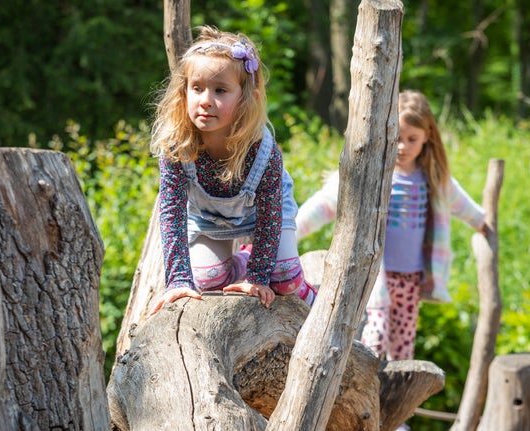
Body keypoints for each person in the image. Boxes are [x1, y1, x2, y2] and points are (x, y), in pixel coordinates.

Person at [296, 90, 486, 361]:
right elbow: (326, 202)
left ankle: (395, 394)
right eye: (396, 137)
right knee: (375, 334)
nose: (402, 147)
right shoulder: (372, 172)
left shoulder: (435, 178)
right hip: (375, 274)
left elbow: (465, 207)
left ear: (427, 137)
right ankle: (367, 389)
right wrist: (291, 230)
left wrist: (483, 223)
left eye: (412, 139)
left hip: (411, 278)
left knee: (403, 344)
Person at [148, 26, 317, 316]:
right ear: (183, 91)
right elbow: (171, 211)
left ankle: (319, 303)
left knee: (285, 280)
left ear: (245, 97)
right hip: (208, 220)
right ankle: (240, 261)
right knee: (207, 280)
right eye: (197, 88)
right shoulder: (178, 146)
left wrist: (258, 277)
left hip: (263, 216)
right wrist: (178, 279)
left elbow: (270, 214)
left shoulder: (261, 150)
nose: (205, 100)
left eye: (220, 90)